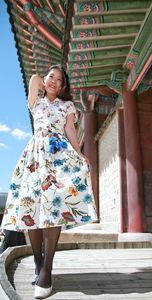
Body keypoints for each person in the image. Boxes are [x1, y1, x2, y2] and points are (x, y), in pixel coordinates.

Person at [1, 64, 97, 299]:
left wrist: (81, 155)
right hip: (34, 157)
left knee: (53, 205)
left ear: (64, 86)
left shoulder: (67, 106)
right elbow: (33, 79)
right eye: (50, 77)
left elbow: (71, 132)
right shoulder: (36, 103)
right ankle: (37, 260)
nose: (53, 81)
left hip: (58, 155)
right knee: (31, 207)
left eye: (58, 79)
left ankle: (47, 269)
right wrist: (44, 78)